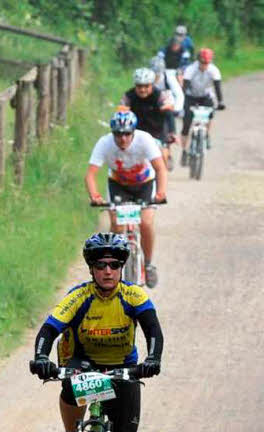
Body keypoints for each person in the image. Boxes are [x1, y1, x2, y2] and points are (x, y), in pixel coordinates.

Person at [29, 232, 164, 432]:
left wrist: (152, 359)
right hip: (83, 363)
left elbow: (154, 331)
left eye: (114, 265)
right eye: (101, 265)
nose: (108, 271)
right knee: (69, 386)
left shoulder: (133, 297)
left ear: (121, 268)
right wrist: (40, 358)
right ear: (91, 268)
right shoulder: (79, 297)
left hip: (122, 368)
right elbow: (49, 330)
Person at [85, 110, 168, 288]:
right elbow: (91, 174)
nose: (123, 139)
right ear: (112, 133)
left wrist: (160, 192)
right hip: (118, 185)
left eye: (127, 134)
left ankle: (148, 264)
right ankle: (111, 265)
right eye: (118, 134)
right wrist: (95, 196)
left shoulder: (145, 140)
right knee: (117, 225)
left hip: (144, 184)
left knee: (146, 222)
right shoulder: (104, 143)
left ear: (133, 132)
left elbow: (160, 168)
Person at [121, 67, 175, 168]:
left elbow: (169, 114)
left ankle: (162, 179)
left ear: (152, 85)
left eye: (146, 86)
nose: (142, 89)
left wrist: (172, 132)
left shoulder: (160, 96)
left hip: (158, 131)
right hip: (136, 131)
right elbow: (121, 116)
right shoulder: (128, 96)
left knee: (162, 155)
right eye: (139, 86)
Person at [180, 48, 225, 161]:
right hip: (191, 96)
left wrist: (220, 102)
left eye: (207, 63)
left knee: (210, 114)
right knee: (186, 123)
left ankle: (206, 135)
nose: (204, 65)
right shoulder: (191, 69)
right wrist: (181, 103)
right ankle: (184, 150)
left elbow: (217, 87)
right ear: (198, 61)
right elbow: (184, 88)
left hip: (206, 96)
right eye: (202, 63)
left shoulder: (213, 70)